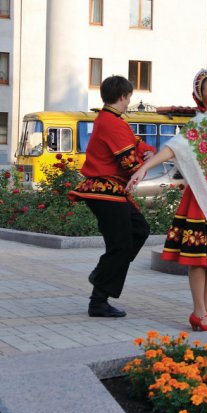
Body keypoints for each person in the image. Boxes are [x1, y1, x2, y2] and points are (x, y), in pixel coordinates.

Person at [127, 70, 207, 331]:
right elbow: (174, 148)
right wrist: (143, 168)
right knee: (200, 257)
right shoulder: (199, 124)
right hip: (204, 196)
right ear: (200, 96)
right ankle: (198, 312)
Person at [68, 76, 154, 318]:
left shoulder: (111, 120)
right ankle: (98, 299)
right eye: (129, 98)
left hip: (110, 192)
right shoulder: (112, 122)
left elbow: (135, 144)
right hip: (105, 192)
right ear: (124, 96)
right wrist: (143, 165)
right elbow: (127, 161)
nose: (129, 102)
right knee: (121, 245)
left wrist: (147, 153)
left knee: (139, 231)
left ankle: (101, 276)